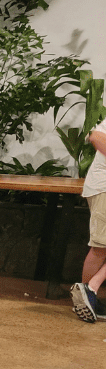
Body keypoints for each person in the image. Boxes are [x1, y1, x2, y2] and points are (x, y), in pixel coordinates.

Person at [71, 118, 106, 323]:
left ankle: (89, 292)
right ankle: (86, 296)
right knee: (101, 247)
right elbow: (96, 136)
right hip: (104, 188)